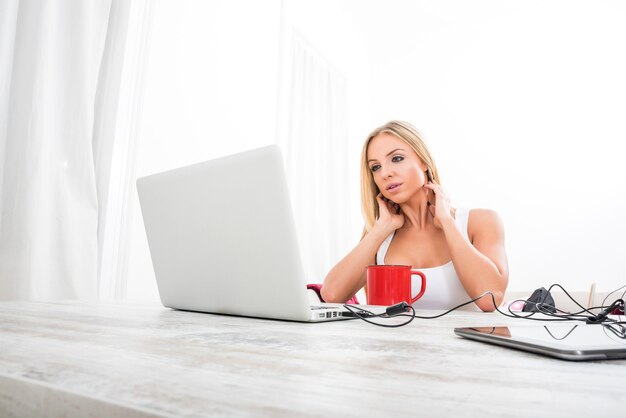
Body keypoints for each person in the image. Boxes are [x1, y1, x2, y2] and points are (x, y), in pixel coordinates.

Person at [321, 121, 508, 311]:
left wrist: (446, 222)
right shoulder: (380, 234)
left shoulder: (480, 222)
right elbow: (332, 295)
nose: (385, 173)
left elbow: (490, 299)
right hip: (396, 341)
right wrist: (381, 229)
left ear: (424, 161)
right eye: (375, 167)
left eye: (396, 158)